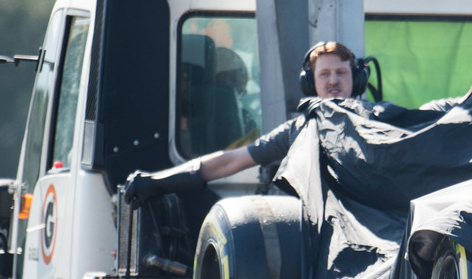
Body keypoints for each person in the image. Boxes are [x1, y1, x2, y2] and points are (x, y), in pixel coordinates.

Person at [126, 41, 359, 202]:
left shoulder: (381, 122)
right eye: (324, 74)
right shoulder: (297, 132)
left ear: (356, 79)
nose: (333, 81)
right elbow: (228, 162)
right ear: (310, 83)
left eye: (341, 72)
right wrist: (157, 181)